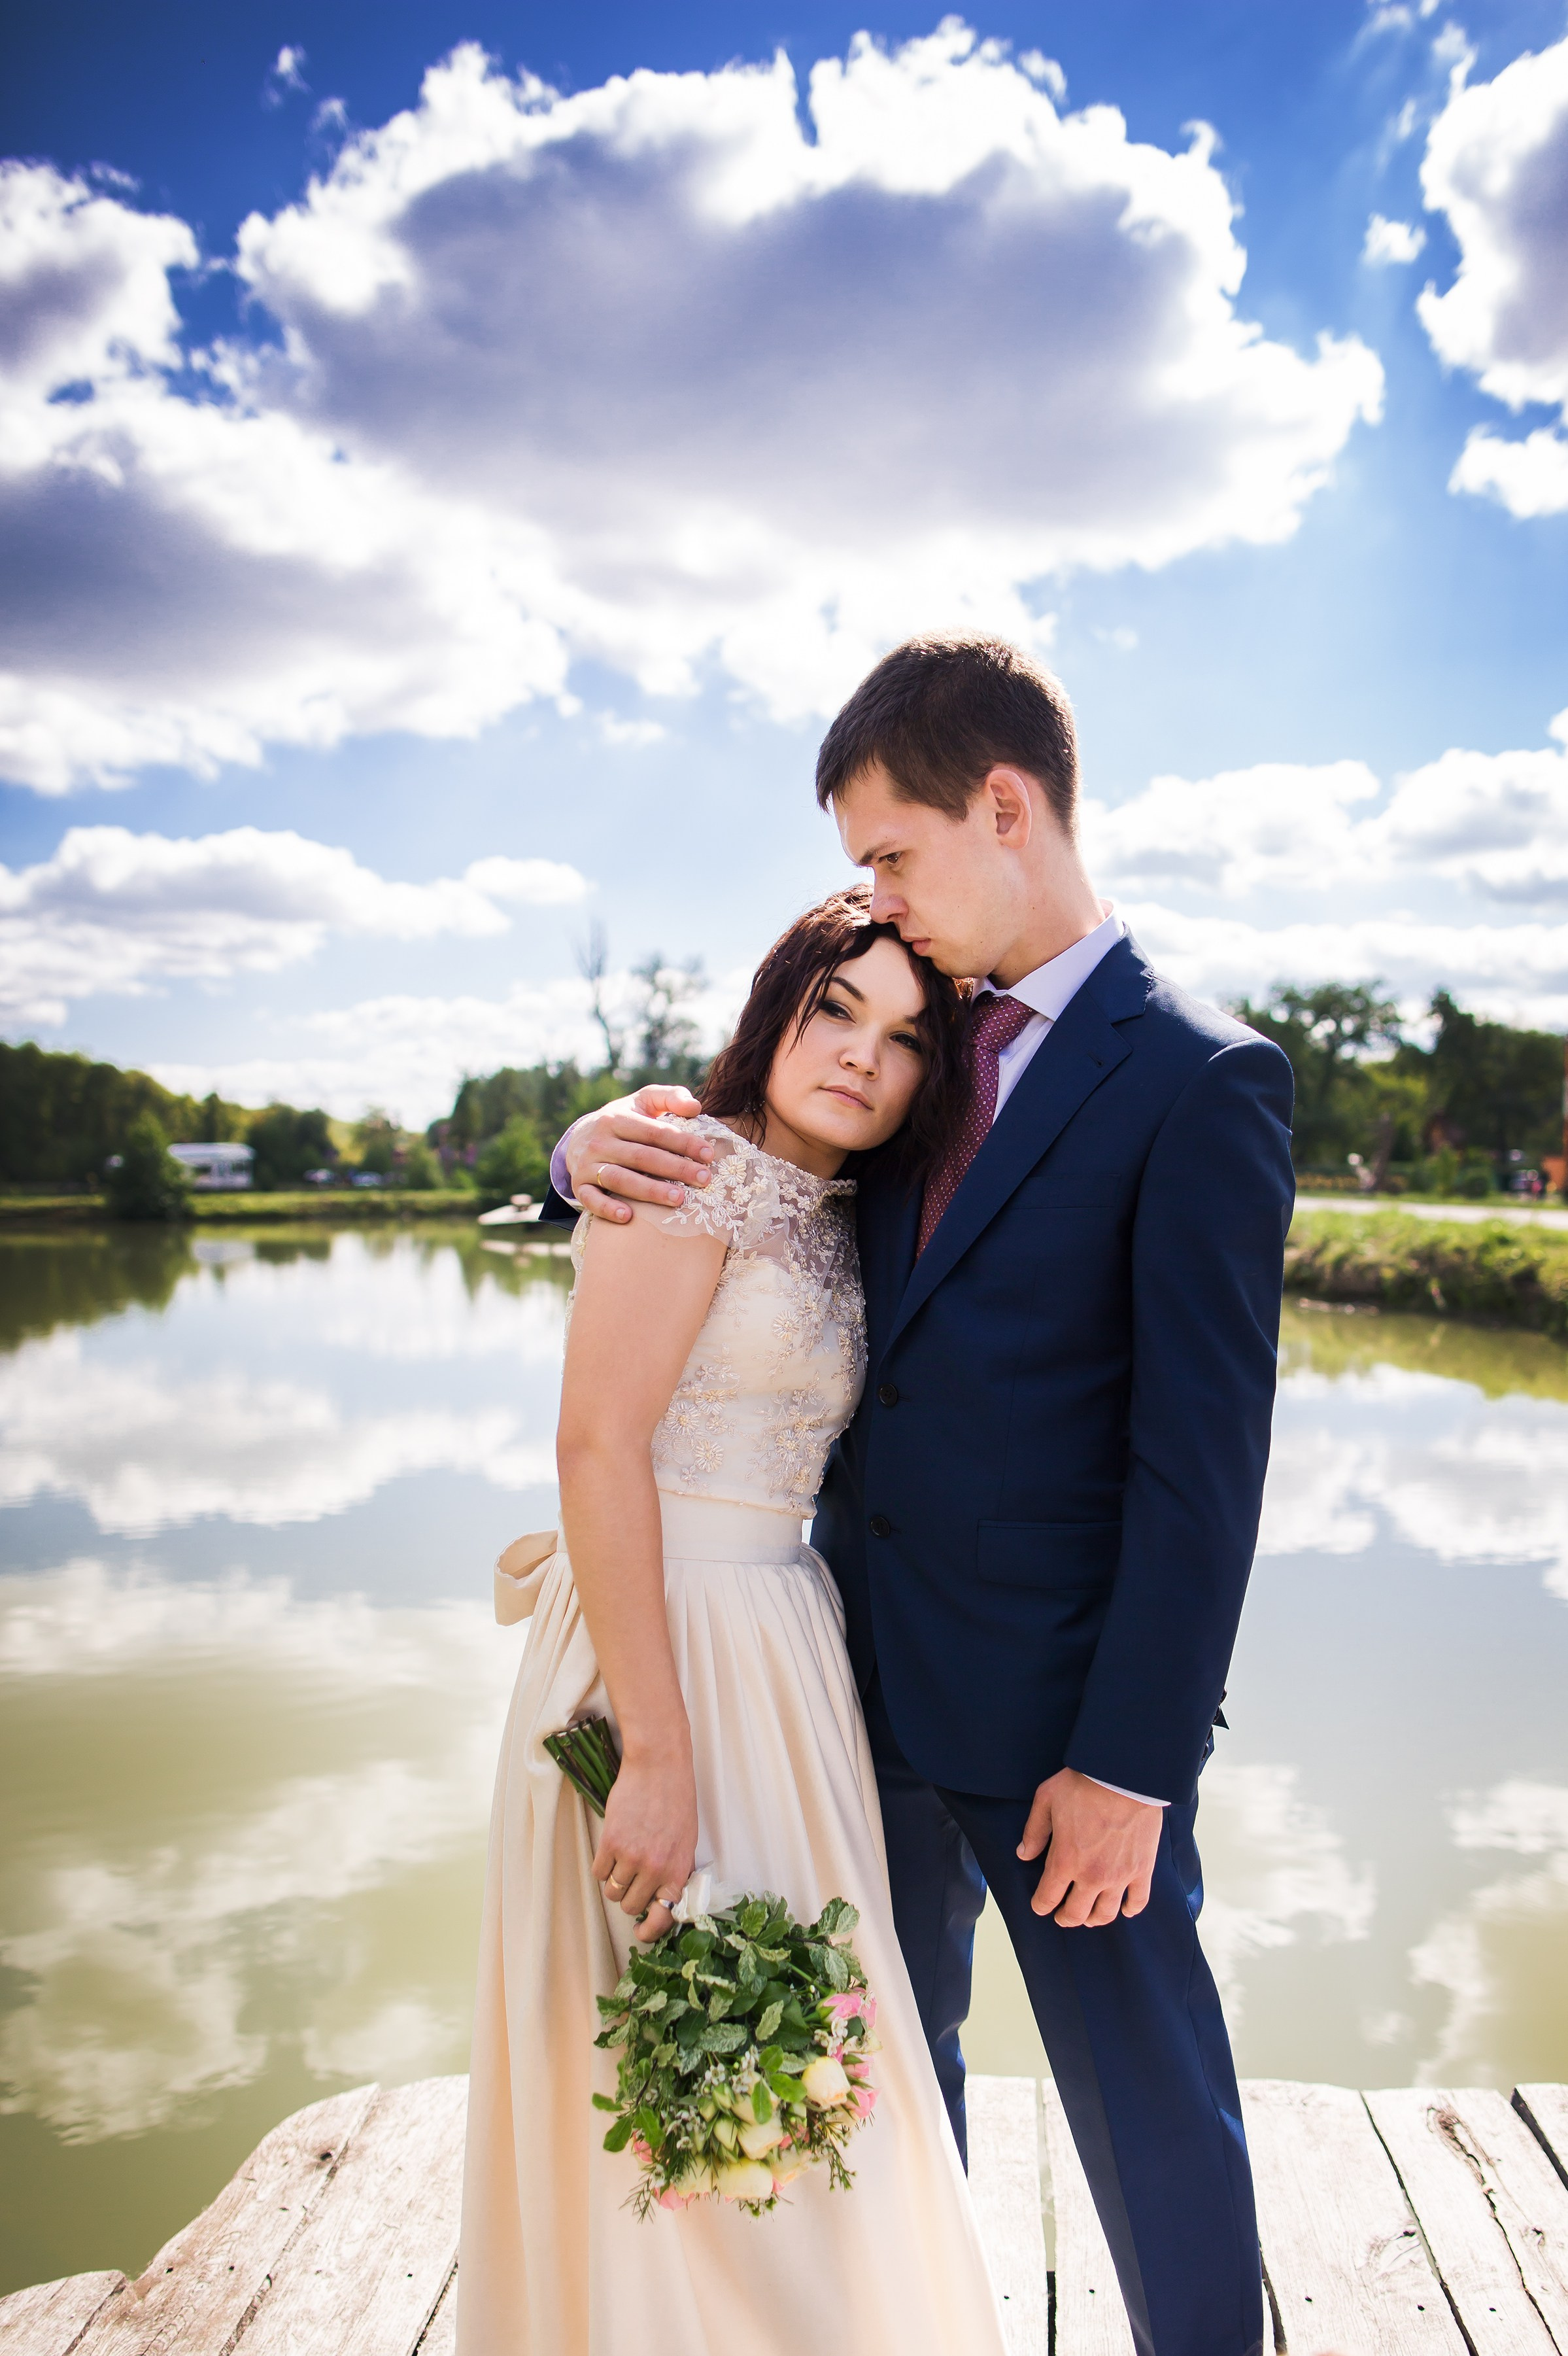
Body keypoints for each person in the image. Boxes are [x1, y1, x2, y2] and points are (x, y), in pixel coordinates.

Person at [549, 636, 1296, 2356]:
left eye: (886, 853)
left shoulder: (1197, 1081)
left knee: (1148, 2104)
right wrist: (582, 1151)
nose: (867, 892)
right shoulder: (915, 1038)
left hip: (1059, 1739)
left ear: (1005, 807)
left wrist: (1130, 1763)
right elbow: (750, 1189)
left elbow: (1201, 1471)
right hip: (837, 1698)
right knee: (875, 2080)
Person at [456, 889, 1013, 2356]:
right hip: (662, 1649)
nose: (859, 1057)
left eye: (903, 1040)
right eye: (835, 1007)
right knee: (658, 2064)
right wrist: (652, 1748)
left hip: (784, 1647)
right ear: (776, 1003)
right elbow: (596, 1446)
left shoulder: (847, 1212)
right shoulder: (686, 1167)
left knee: (804, 2056)